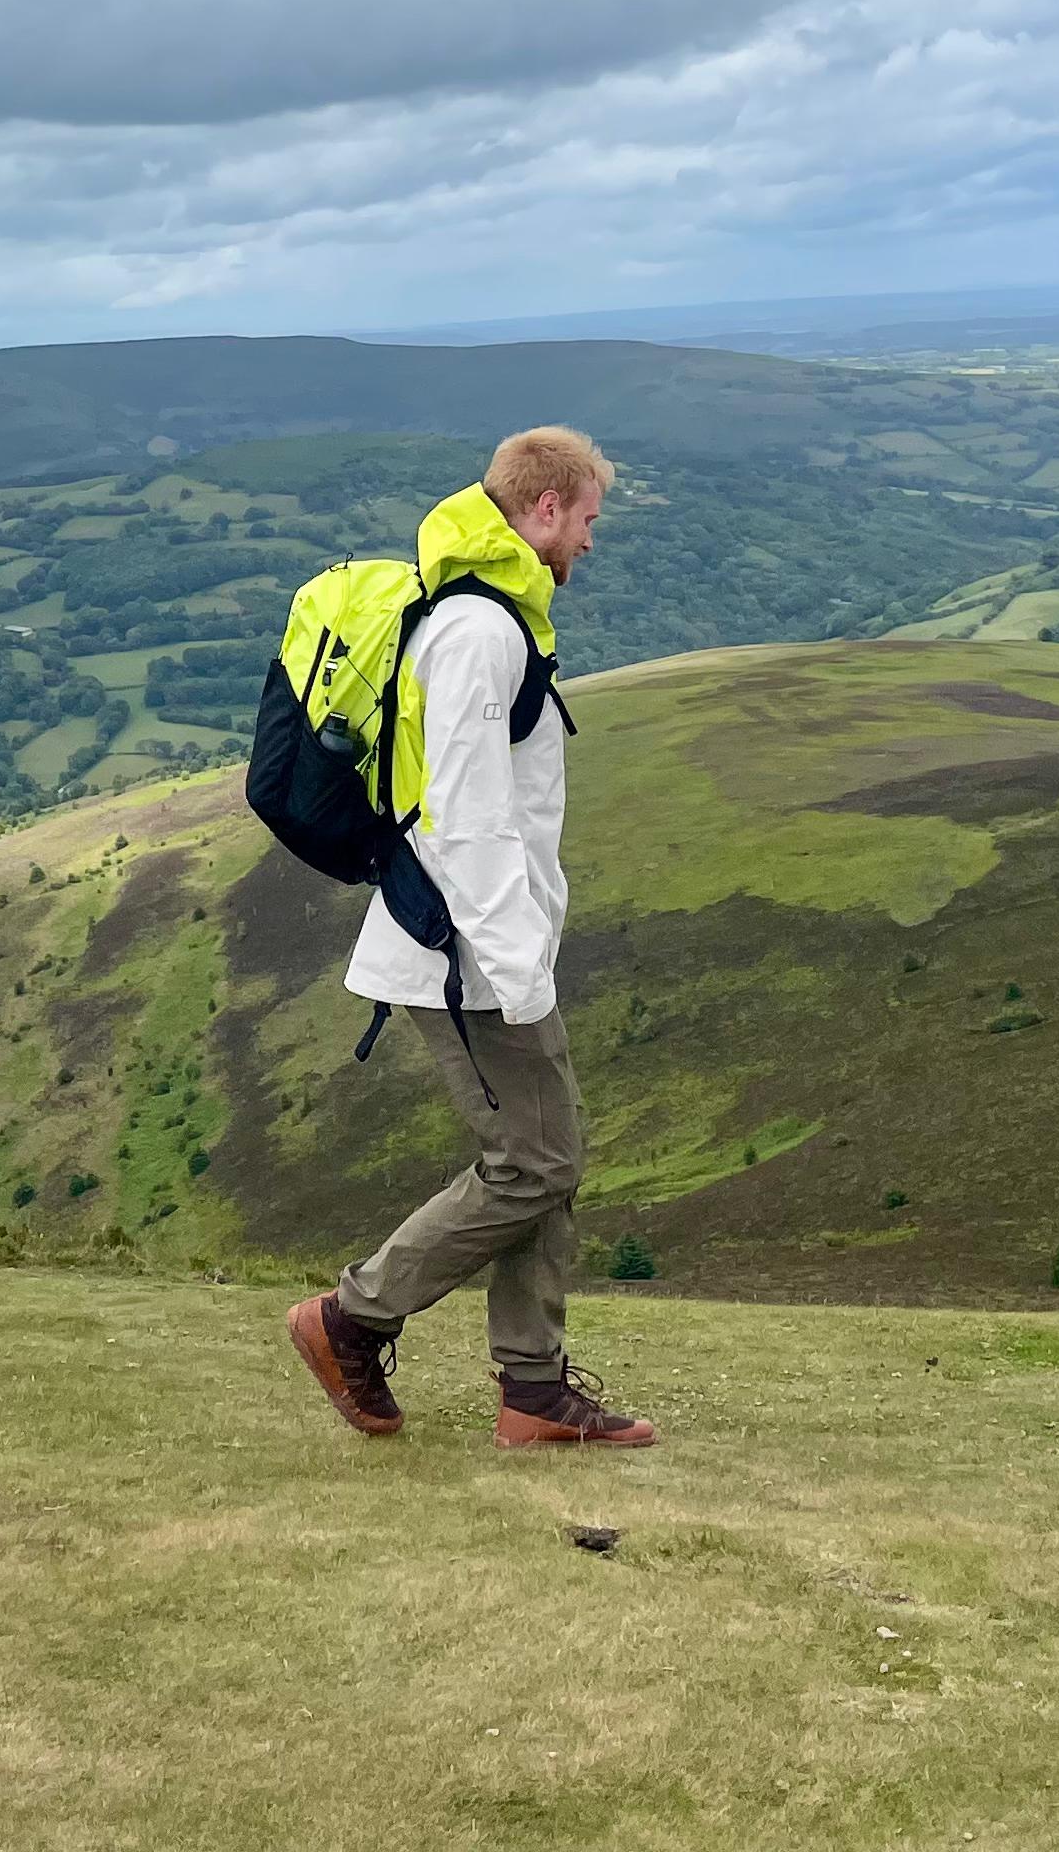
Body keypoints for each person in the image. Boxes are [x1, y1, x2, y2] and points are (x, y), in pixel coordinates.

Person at [286, 426, 657, 1448]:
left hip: (474, 950)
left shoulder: (493, 618)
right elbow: (470, 814)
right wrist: (519, 969)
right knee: (534, 1166)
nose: (590, 540)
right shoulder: (481, 632)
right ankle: (351, 1319)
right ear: (544, 510)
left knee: (547, 1156)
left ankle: (532, 1391)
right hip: (466, 959)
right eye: (586, 518)